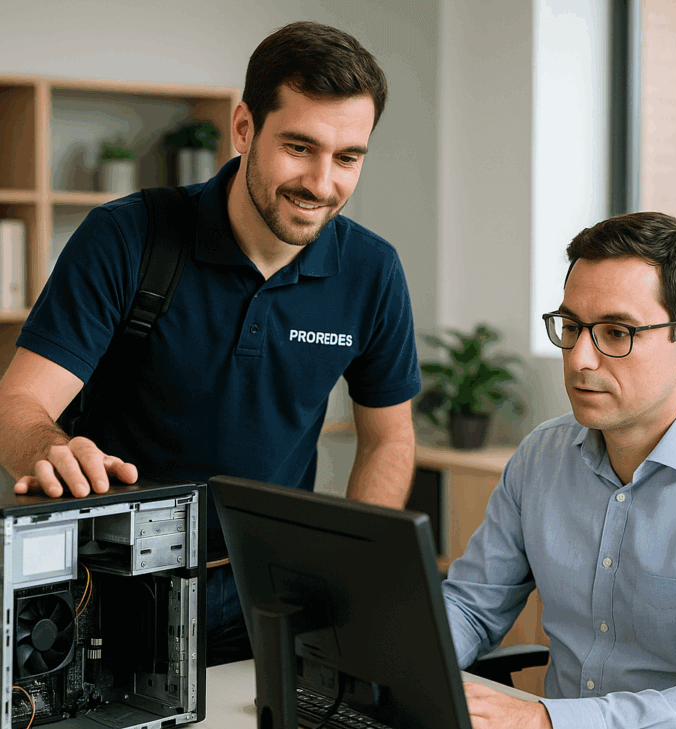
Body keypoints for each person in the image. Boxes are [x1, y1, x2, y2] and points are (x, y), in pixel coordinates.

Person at [0, 21, 421, 663]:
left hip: (268, 594)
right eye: (299, 147)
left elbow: (389, 436)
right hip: (105, 589)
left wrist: (349, 575)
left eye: (347, 158)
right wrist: (49, 448)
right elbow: (16, 407)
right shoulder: (127, 236)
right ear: (244, 127)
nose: (321, 183)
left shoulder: (373, 272)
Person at [443, 211, 676, 729]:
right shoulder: (541, 456)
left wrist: (555, 724)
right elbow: (473, 607)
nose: (579, 358)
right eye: (571, 326)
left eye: (617, 333)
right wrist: (387, 662)